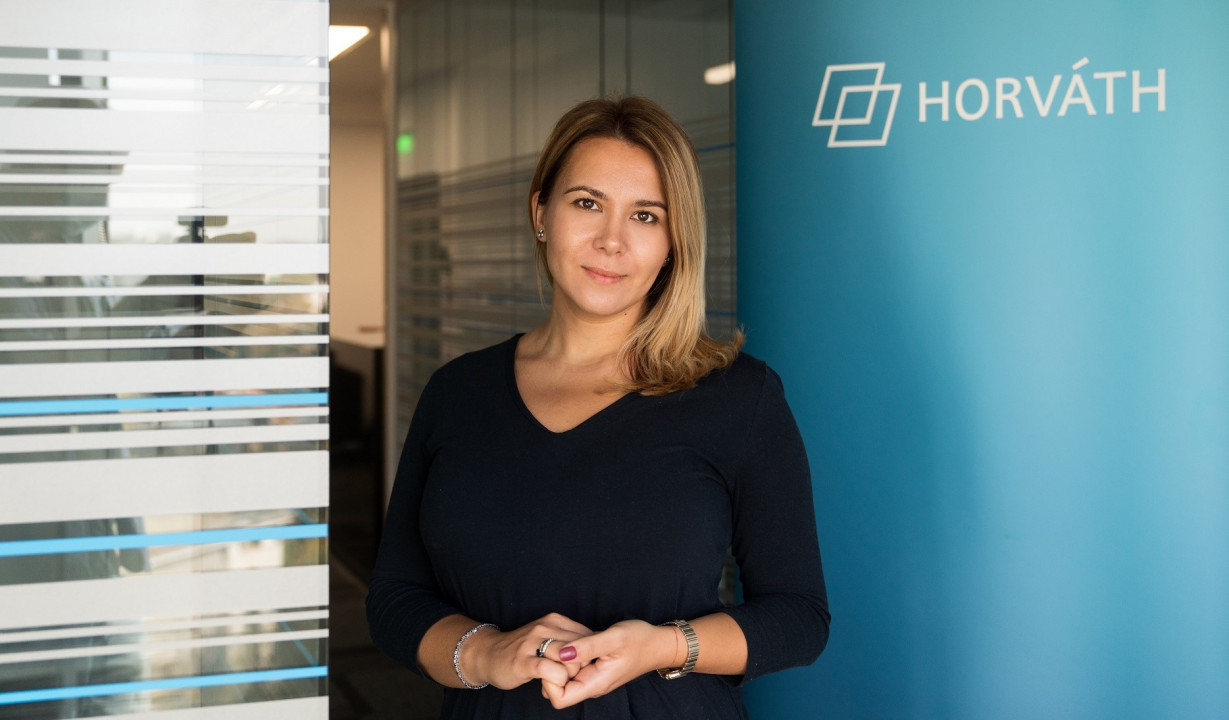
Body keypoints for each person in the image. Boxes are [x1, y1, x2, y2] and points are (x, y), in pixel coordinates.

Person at [367, 96, 829, 719]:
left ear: (673, 242)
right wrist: (487, 653)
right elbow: (395, 598)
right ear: (541, 213)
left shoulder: (738, 397)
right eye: (587, 203)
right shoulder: (457, 392)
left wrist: (661, 646)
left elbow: (799, 617)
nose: (612, 240)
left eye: (645, 215)